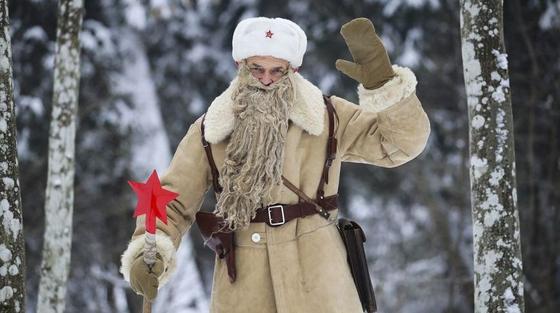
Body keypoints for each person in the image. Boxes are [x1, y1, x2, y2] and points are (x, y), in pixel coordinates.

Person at [120, 16, 430, 313]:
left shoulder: (328, 116)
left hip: (321, 279)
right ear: (239, 66)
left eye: (277, 71)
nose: (266, 80)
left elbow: (400, 145)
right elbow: (170, 200)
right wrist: (150, 251)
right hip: (243, 286)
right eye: (256, 69)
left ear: (293, 69)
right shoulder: (210, 130)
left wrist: (385, 86)